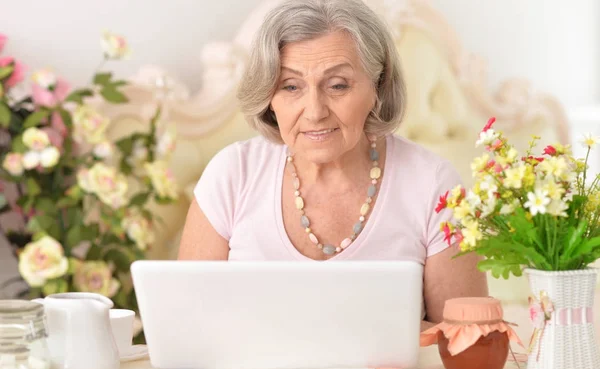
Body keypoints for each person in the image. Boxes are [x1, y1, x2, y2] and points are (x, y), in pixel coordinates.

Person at [178, 0, 488, 329]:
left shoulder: (432, 184)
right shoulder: (232, 174)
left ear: (378, 88)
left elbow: (464, 340)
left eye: (338, 85)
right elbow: (187, 323)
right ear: (270, 97)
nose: (314, 111)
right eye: (291, 86)